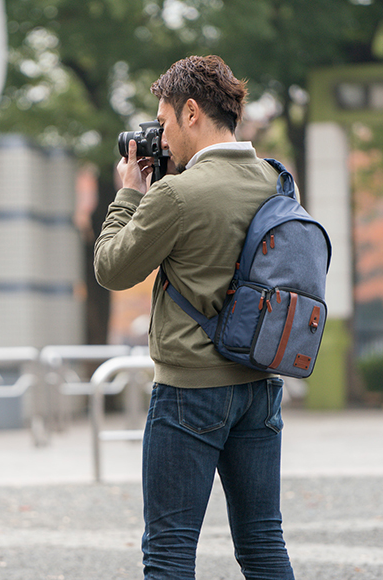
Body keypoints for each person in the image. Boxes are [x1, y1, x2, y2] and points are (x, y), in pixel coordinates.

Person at [94, 55, 295, 580]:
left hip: (190, 392)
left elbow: (111, 268)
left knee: (169, 551)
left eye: (162, 123)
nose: (161, 136)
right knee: (262, 540)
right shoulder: (273, 181)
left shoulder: (176, 194)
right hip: (260, 385)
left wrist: (128, 196)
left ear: (190, 113)